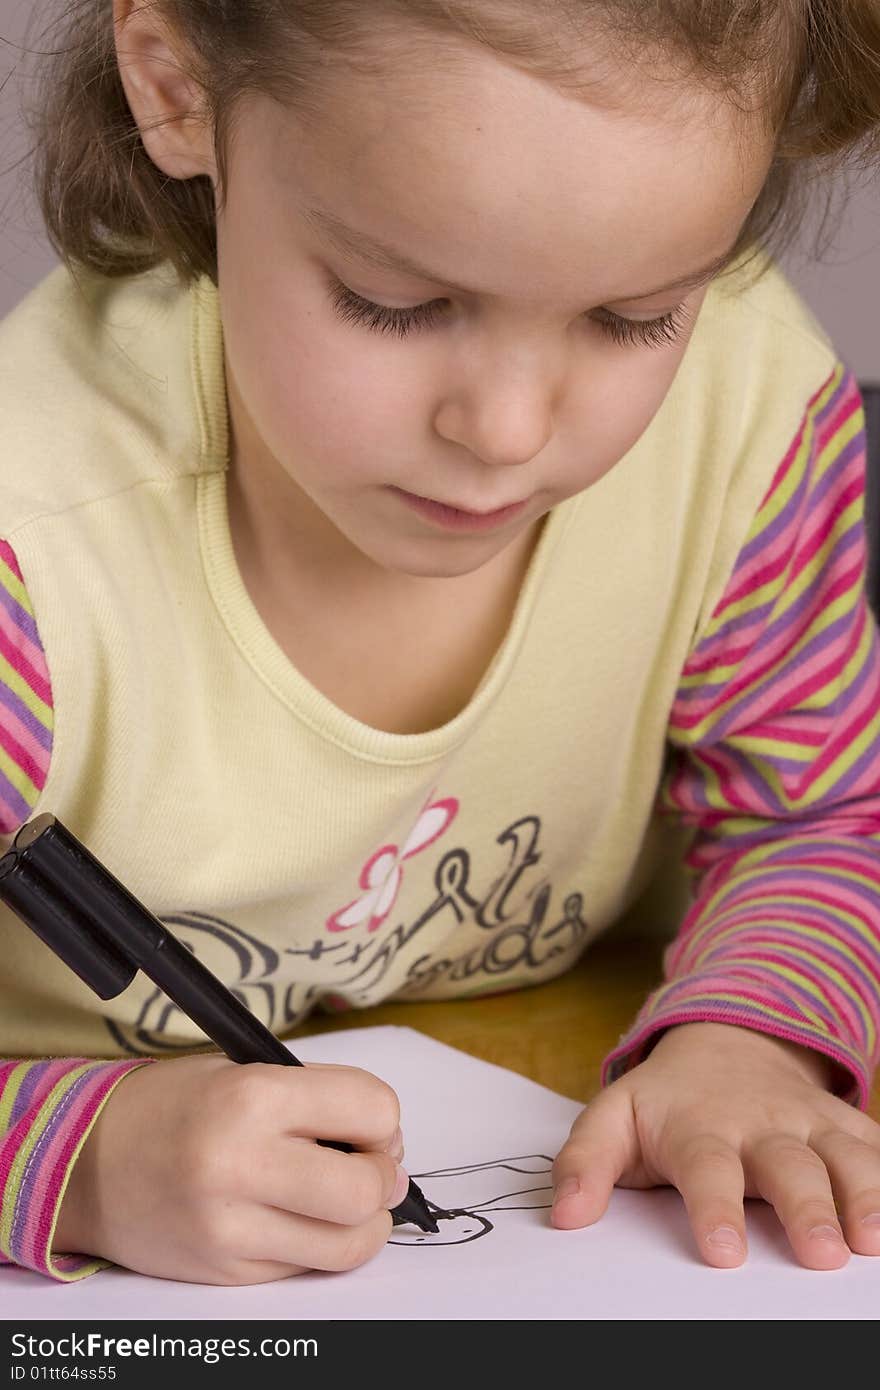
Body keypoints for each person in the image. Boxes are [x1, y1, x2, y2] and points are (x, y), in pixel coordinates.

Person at [0, 0, 878, 1288]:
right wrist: (74, 1165)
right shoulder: (32, 542)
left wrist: (756, 1037)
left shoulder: (750, 428)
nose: (510, 429)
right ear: (176, 86)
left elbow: (816, 821)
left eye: (635, 317)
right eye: (395, 302)